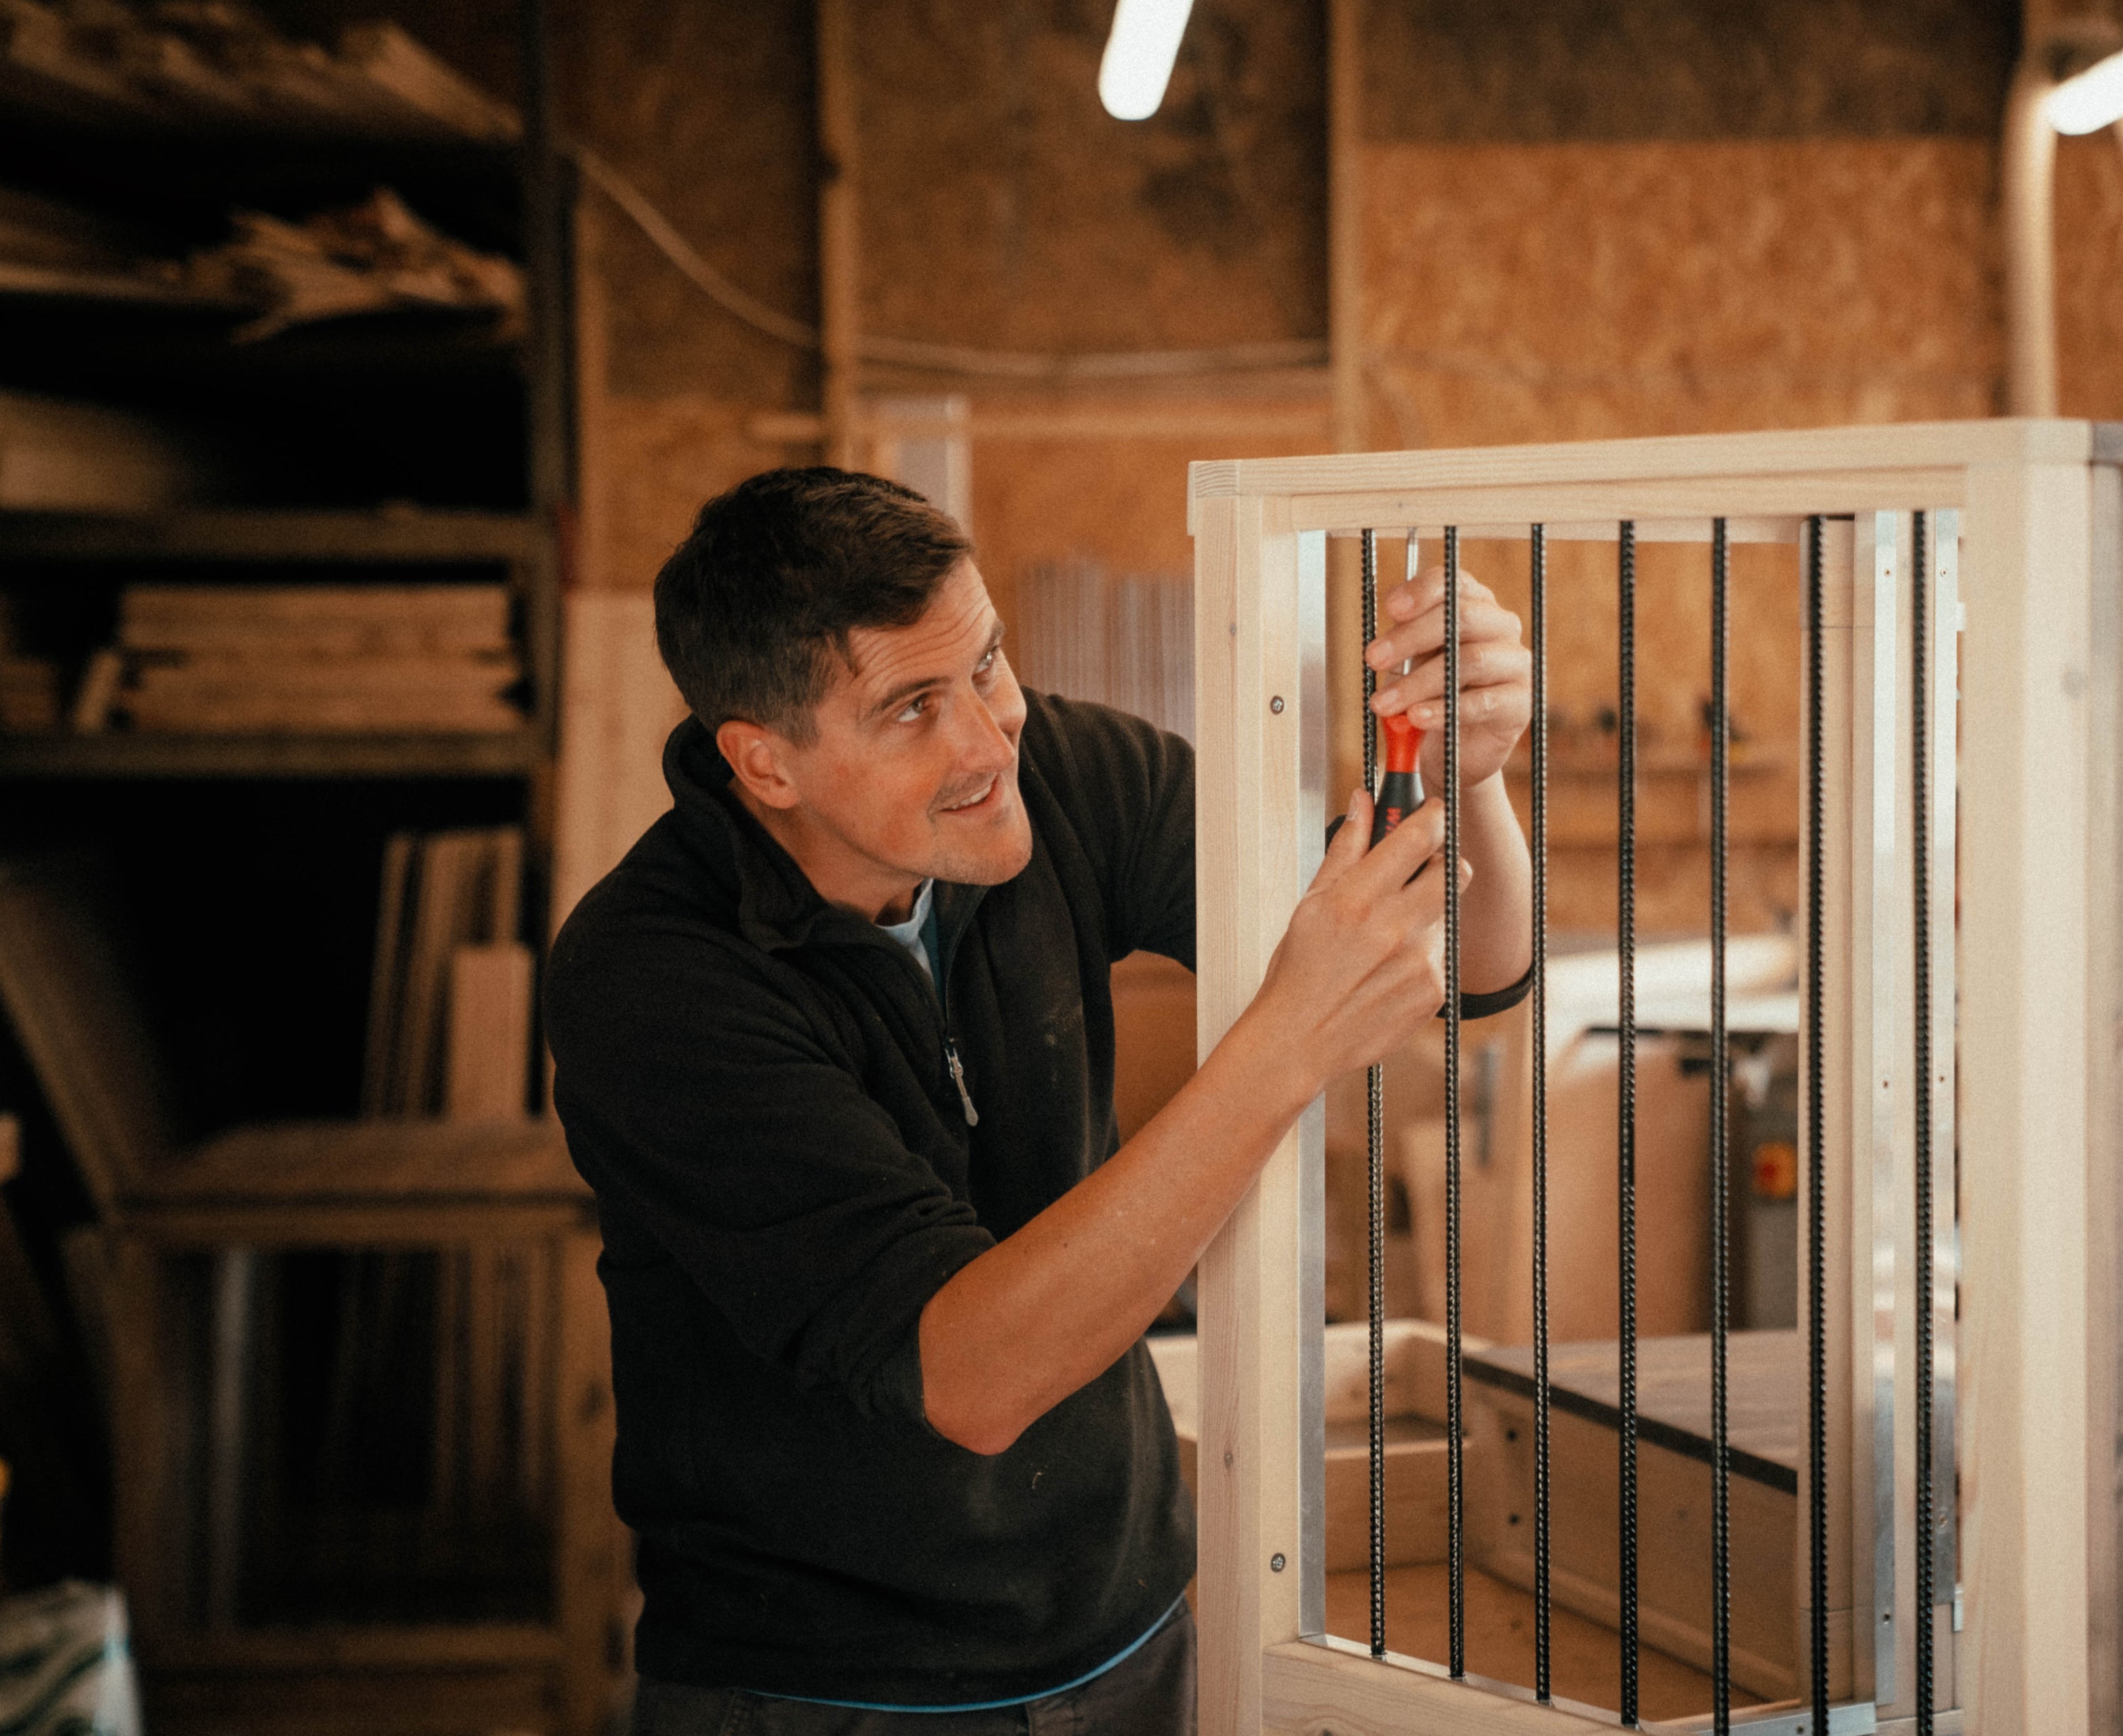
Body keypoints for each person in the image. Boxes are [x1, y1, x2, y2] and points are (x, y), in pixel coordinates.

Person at [543, 468, 1536, 1733]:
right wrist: (1286, 1044)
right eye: (911, 708)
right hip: (824, 1688)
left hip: (1129, 1627)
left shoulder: (1060, 772)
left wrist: (1470, 778)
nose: (986, 740)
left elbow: (1460, 965)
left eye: (989, 667)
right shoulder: (654, 980)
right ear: (766, 763)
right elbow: (971, 1373)